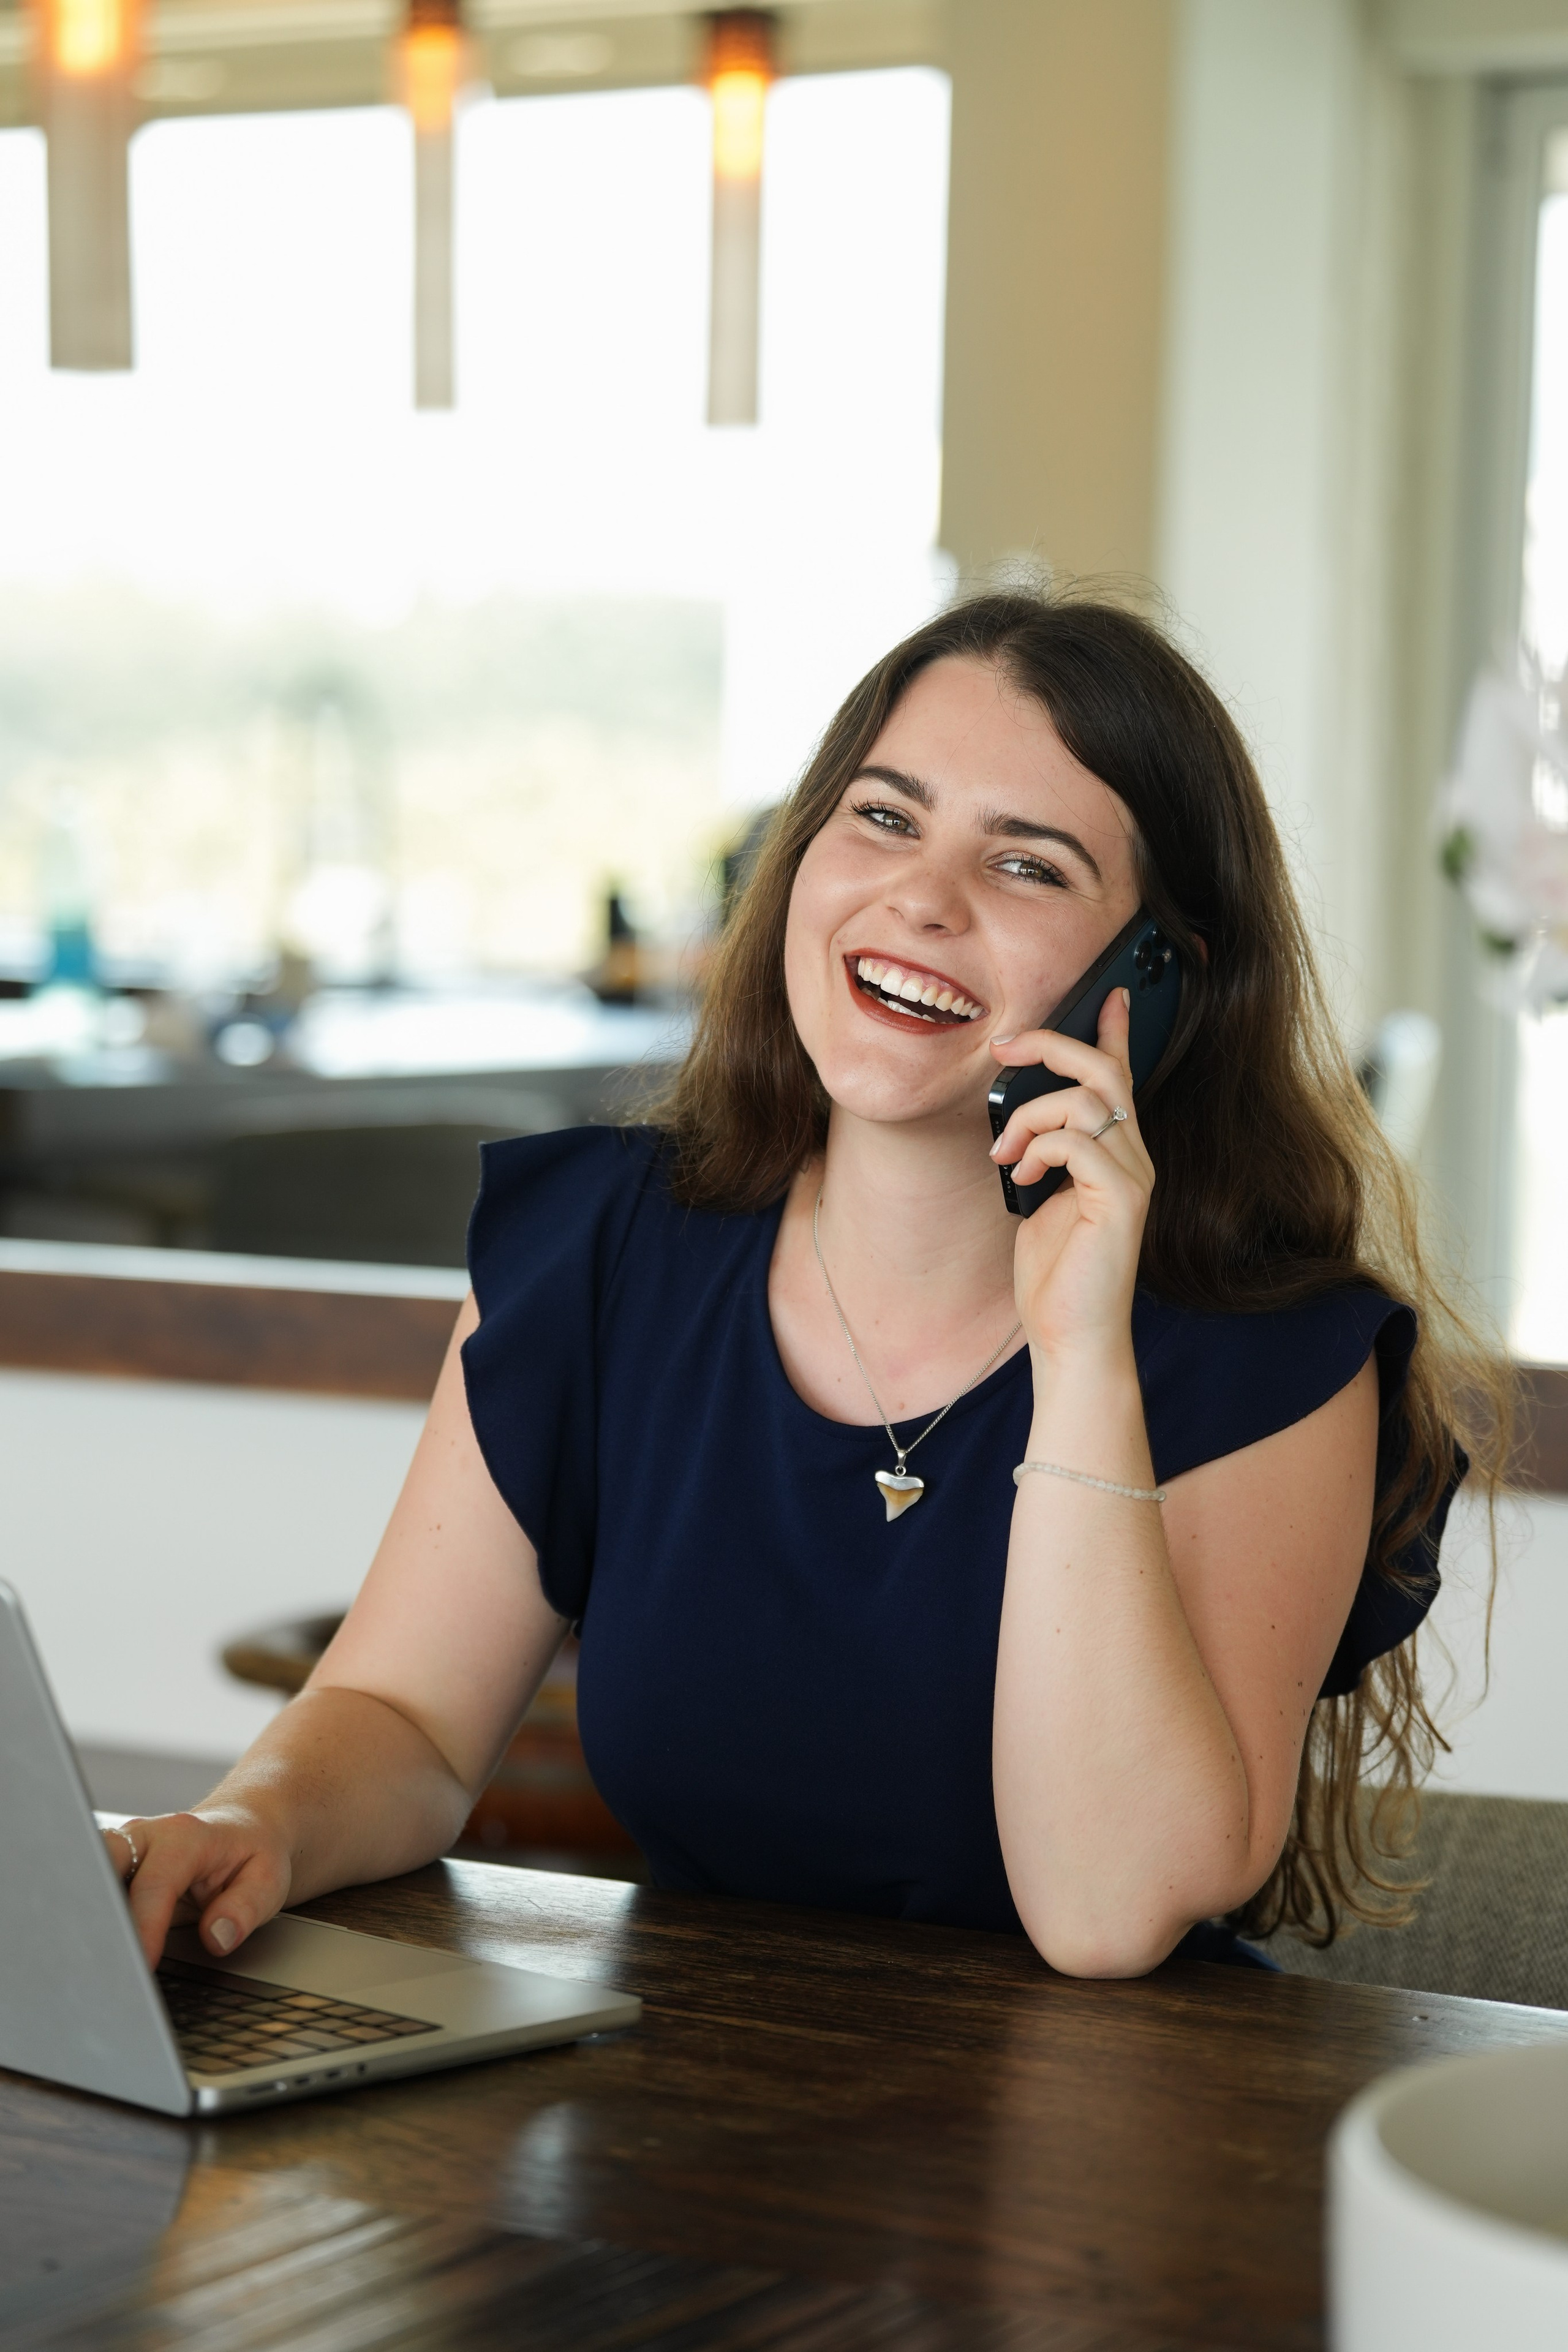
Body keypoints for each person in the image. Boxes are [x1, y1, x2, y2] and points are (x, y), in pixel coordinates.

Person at [107, 590, 1503, 1980]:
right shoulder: (600, 1250)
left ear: (1154, 982)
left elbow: (1107, 1910)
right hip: (683, 2129)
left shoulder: (1270, 1360)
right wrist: (256, 1822)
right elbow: (403, 1719)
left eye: (1025, 866)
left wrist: (1079, 1359)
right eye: (882, 818)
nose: (920, 898)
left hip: (1101, 2162)